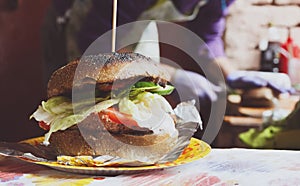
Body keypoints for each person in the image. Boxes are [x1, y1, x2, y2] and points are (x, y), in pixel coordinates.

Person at [42, 0, 293, 139]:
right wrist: (173, 76)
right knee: (78, 102)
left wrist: (230, 75)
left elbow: (208, 37)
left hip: (134, 31)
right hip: (82, 26)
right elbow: (97, 43)